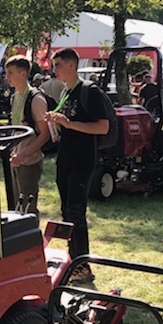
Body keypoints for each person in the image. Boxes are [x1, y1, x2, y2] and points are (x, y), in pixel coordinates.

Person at [45, 48, 110, 284]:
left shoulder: (89, 91)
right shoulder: (66, 91)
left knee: (76, 212)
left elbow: (102, 127)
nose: (55, 70)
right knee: (66, 212)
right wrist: (57, 120)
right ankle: (74, 260)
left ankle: (83, 267)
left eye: (58, 65)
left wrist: (68, 124)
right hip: (66, 158)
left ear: (72, 65)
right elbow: (68, 123)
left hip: (82, 160)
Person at [5, 55, 50, 219]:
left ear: (23, 74)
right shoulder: (15, 96)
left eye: (10, 73)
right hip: (16, 159)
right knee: (17, 208)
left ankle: (33, 243)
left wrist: (24, 153)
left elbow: (45, 134)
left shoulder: (36, 99)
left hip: (30, 161)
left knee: (28, 209)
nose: (7, 77)